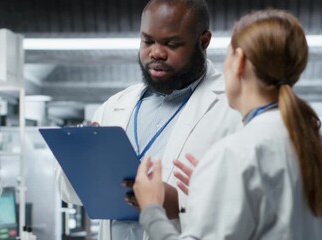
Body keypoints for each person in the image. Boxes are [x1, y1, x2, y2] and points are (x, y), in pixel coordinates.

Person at [133, 9, 322, 240]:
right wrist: (208, 197)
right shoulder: (312, 150)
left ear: (239, 61)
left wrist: (151, 209)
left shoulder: (235, 153)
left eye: (228, 56)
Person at [55, 0, 241, 239]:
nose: (156, 52)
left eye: (172, 43)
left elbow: (253, 206)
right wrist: (81, 163)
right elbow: (68, 192)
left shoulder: (232, 108)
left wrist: (184, 202)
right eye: (147, 41)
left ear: (203, 41)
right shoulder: (114, 107)